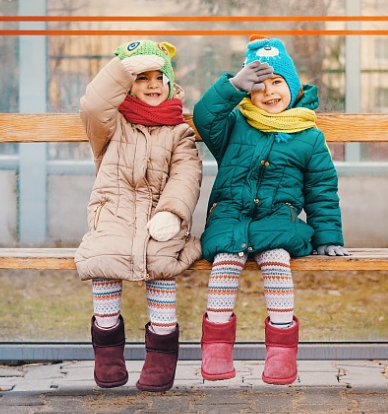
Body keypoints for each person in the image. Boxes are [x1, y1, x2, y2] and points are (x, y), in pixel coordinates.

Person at [193, 35, 349, 385]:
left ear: (292, 87)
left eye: (277, 82)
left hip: (279, 220)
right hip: (230, 216)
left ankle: (281, 350)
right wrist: (232, 86)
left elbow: (321, 189)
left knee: (276, 258)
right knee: (225, 260)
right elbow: (205, 117)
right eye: (258, 85)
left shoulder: (308, 136)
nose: (268, 91)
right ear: (248, 92)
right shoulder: (233, 126)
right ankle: (216, 345)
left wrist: (327, 237)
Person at [74, 40, 203, 392]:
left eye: (158, 77)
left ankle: (161, 353)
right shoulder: (111, 125)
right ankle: (107, 350)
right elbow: (94, 104)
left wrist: (173, 213)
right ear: (127, 84)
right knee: (104, 263)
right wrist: (121, 66)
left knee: (162, 265)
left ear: (170, 82)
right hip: (113, 215)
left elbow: (186, 175)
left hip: (158, 219)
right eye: (140, 77)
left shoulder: (179, 131)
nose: (151, 85)